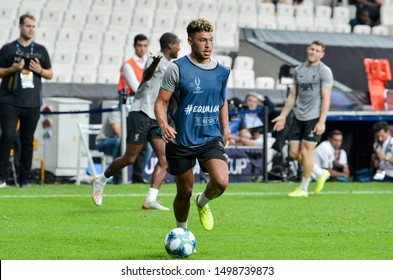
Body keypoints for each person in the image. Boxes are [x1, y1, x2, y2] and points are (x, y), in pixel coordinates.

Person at [154, 17, 231, 231]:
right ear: (190, 41)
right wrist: (164, 125)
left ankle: (202, 202)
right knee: (184, 192)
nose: (207, 45)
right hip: (181, 139)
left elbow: (221, 100)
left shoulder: (222, 71)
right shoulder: (176, 69)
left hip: (209, 136)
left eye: (210, 40)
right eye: (202, 40)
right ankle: (183, 231)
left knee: (221, 182)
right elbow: (160, 102)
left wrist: (225, 128)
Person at [91, 32, 181, 209]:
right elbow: (145, 77)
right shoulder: (155, 59)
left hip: (157, 117)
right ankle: (100, 180)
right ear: (170, 45)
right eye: (178, 44)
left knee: (164, 159)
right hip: (141, 112)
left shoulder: (172, 66)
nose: (179, 48)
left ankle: (150, 199)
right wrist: (155, 62)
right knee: (129, 158)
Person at [272, 40, 333, 197]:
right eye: (311, 49)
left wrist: (322, 121)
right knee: (293, 153)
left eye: (317, 50)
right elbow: (293, 95)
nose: (313, 52)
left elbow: (326, 98)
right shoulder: (299, 69)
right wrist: (283, 116)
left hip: (314, 117)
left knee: (306, 153)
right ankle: (320, 173)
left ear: (322, 54)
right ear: (307, 50)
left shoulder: (324, 71)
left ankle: (304, 188)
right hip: (299, 116)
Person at [0, 13, 53, 188]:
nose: (31, 29)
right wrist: (12, 69)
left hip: (32, 102)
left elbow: (50, 74)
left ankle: (24, 179)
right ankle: (2, 178)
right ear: (20, 26)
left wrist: (39, 70)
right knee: (7, 137)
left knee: (27, 140)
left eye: (33, 26)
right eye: (28, 26)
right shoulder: (8, 49)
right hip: (9, 100)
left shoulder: (41, 50)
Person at [117, 34, 150, 184]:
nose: (142, 49)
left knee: (142, 144)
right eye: (139, 45)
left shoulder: (148, 63)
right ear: (134, 46)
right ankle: (117, 176)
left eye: (144, 45)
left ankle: (137, 175)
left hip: (144, 107)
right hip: (129, 107)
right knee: (128, 143)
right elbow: (136, 87)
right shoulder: (128, 65)